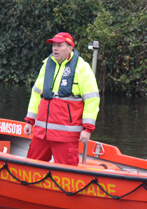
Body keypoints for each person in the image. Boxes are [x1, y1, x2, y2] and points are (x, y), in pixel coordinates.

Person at [24, 32, 100, 166]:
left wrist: (87, 129)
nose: (55, 48)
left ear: (70, 48)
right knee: (31, 166)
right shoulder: (47, 65)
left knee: (67, 174)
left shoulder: (82, 68)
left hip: (65, 136)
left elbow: (92, 100)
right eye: (53, 45)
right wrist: (30, 121)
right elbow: (36, 95)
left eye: (59, 45)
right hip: (42, 134)